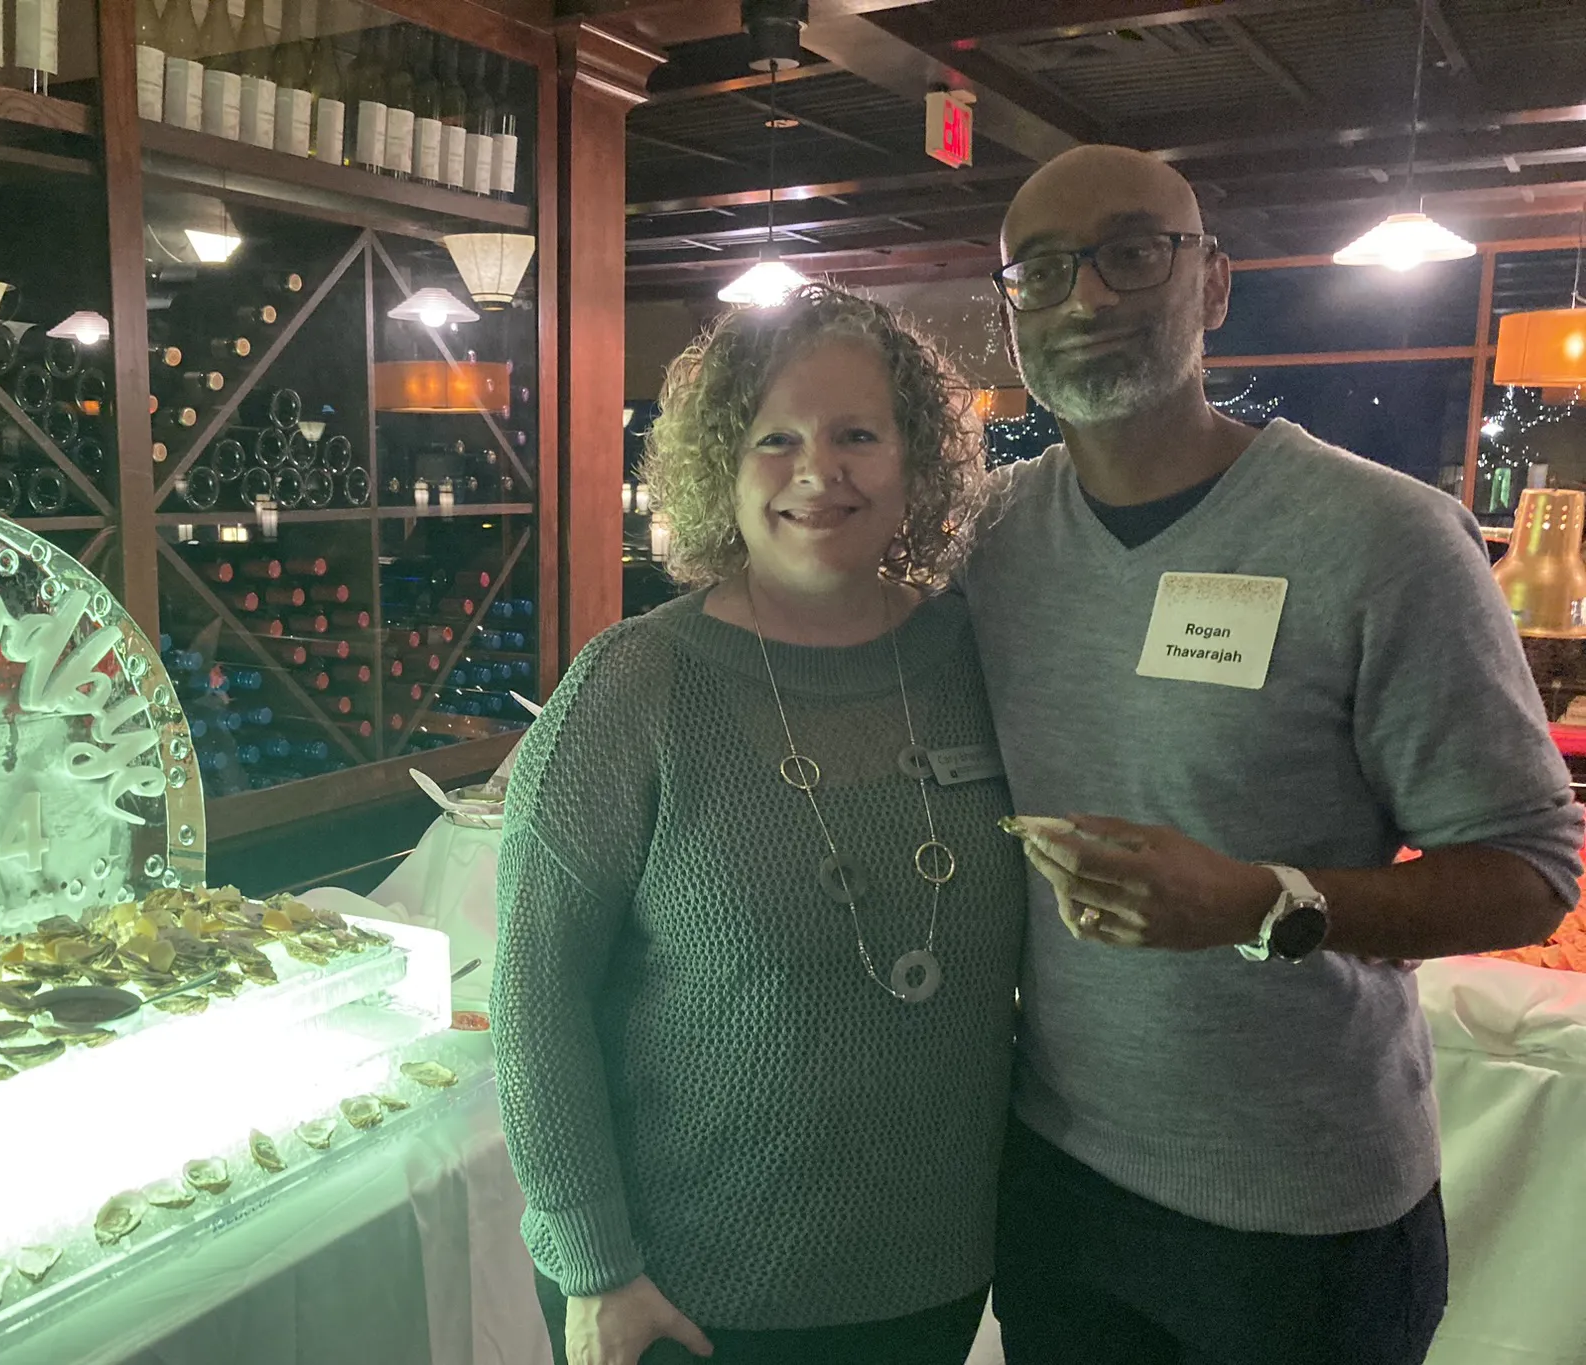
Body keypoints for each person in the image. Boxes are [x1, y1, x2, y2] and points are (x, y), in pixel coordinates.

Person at [963, 144, 1584, 1365]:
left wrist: (1265, 903)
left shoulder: (1384, 539)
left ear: (1211, 286)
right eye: (1039, 271)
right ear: (1012, 312)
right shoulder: (990, 543)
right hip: (1057, 1183)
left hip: (1305, 1222)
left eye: (1131, 253)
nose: (1085, 297)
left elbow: (1529, 866)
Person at [491, 286, 1027, 1365]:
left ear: (916, 460)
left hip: (926, 1277)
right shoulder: (633, 684)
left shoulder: (982, 664)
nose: (816, 471)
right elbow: (533, 995)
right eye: (771, 439)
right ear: (718, 473)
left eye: (856, 434)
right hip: (686, 1294)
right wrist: (594, 1269)